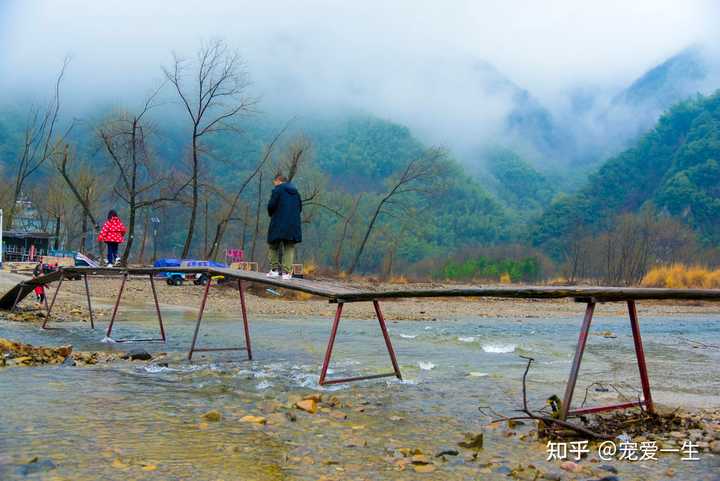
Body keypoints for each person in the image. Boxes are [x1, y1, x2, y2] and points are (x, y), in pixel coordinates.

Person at [266, 173, 302, 280]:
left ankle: (274, 270)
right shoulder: (296, 192)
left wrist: (272, 214)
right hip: (293, 225)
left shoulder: (277, 190)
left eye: (274, 183)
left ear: (278, 181)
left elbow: (271, 206)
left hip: (278, 223)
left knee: (273, 245)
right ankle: (287, 273)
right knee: (289, 247)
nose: (274, 185)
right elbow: (300, 208)